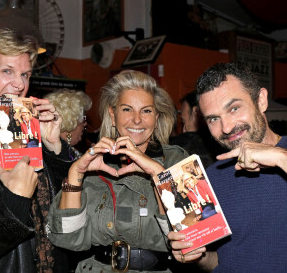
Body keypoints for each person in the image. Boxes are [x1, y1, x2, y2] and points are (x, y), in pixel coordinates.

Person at [47, 70, 189, 273]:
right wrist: (75, 173)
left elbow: (192, 234)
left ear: (157, 118)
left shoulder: (177, 160)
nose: (137, 120)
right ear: (113, 116)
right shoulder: (95, 162)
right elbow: (67, 238)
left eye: (146, 111)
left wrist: (158, 173)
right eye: (127, 110)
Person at [168, 62, 287, 272]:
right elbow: (224, 260)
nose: (227, 127)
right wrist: (197, 254)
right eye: (214, 118)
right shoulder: (208, 180)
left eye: (234, 108)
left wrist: (279, 157)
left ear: (261, 100)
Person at [0, 29, 74, 273]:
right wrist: (15, 200)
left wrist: (55, 148)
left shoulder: (26, 126)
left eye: (25, 73)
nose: (20, 84)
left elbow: (66, 205)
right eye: (7, 71)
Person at [170, 91, 222, 168]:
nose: (184, 129)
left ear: (195, 111)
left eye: (184, 122)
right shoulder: (223, 140)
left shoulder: (181, 146)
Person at [45, 88, 92, 158]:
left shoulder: (71, 151)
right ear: (71, 121)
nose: (85, 123)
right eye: (83, 118)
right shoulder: (59, 154)